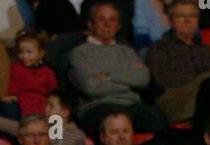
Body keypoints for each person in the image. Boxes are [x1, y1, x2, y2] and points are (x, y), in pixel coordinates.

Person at [68, 2, 160, 136]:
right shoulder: (79, 53)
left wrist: (109, 76)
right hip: (99, 108)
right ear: (90, 24)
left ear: (118, 26)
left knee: (156, 115)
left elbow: (143, 79)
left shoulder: (127, 51)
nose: (107, 24)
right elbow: (91, 88)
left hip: (131, 106)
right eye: (101, 19)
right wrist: (129, 82)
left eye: (112, 20)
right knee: (110, 121)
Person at [146, 0, 210, 125]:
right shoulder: (159, 48)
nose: (188, 20)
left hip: (204, 99)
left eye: (192, 16)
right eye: (181, 16)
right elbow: (158, 81)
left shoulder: (205, 49)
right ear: (171, 21)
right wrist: (198, 81)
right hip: (173, 101)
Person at [7, 28, 56, 118]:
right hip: (21, 103)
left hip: (42, 105)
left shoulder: (48, 72)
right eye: (21, 52)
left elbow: (53, 90)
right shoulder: (16, 68)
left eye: (29, 52)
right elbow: (12, 84)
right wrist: (13, 95)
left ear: (41, 53)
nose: (24, 56)